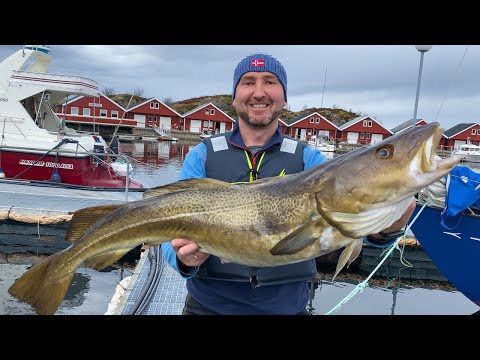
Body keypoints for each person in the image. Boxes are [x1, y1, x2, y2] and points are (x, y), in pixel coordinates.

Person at [161, 53, 416, 315]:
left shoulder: (311, 160)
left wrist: (387, 230)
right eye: (248, 82)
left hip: (287, 309)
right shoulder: (203, 155)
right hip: (208, 308)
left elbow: (353, 220)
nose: (259, 92)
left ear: (284, 97)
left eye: (270, 82)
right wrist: (182, 259)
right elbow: (167, 232)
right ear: (234, 96)